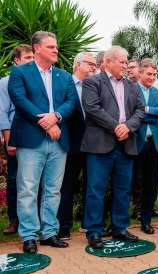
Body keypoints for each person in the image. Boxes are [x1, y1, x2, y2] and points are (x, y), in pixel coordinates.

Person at [8, 31, 78, 253]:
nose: (56, 50)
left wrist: (56, 117)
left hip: (58, 141)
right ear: (37, 48)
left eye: (56, 47)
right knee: (27, 188)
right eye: (51, 47)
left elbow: (71, 102)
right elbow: (19, 99)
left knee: (53, 189)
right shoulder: (20, 72)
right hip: (31, 140)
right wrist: (46, 122)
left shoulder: (64, 76)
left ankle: (49, 233)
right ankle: (29, 235)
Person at [81, 46, 145, 248]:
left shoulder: (133, 86)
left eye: (127, 62)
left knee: (123, 189)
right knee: (95, 189)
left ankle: (120, 228)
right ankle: (94, 231)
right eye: (122, 62)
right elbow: (92, 108)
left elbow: (140, 110)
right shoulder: (93, 82)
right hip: (100, 144)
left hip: (126, 144)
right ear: (108, 62)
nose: (126, 66)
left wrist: (128, 126)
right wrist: (116, 126)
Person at [57, 52, 97, 240]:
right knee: (66, 187)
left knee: (92, 186)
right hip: (69, 144)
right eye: (90, 64)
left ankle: (88, 225)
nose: (93, 67)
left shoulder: (95, 86)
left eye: (95, 65)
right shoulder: (64, 84)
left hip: (93, 145)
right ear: (78, 64)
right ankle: (63, 226)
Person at [133, 58, 158, 234]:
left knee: (151, 181)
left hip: (154, 144)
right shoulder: (131, 90)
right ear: (140, 73)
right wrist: (154, 112)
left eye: (154, 75)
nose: (152, 77)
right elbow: (132, 113)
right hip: (135, 141)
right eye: (149, 74)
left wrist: (147, 110)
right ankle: (123, 219)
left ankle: (146, 220)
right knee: (131, 181)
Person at [0, 44, 34, 235]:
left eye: (32, 57)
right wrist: (9, 139)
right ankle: (14, 220)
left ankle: (32, 220)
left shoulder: (37, 80)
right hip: (15, 136)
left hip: (34, 136)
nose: (31, 60)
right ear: (17, 61)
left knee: (33, 180)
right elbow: (2, 111)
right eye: (27, 58)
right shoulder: (5, 82)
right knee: (14, 178)